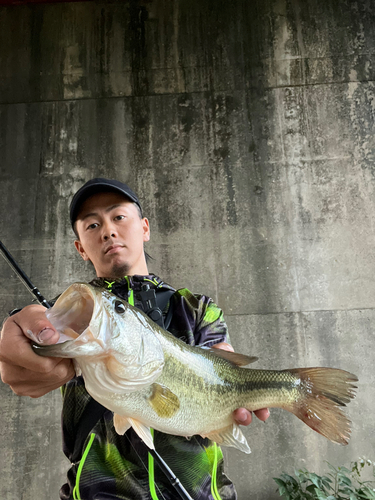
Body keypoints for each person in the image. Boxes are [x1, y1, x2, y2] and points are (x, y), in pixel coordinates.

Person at [0, 178, 269, 500]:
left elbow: (218, 362)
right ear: (80, 248)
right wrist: (21, 336)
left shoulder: (198, 308)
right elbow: (35, 334)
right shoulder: (73, 316)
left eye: (119, 217)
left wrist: (227, 376)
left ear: (144, 228)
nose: (108, 231)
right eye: (92, 224)